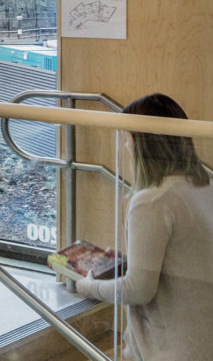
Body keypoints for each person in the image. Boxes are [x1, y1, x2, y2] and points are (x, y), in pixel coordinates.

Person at [74, 93, 213, 361]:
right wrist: (129, 262)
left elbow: (139, 289)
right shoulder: (204, 186)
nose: (126, 146)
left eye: (128, 137)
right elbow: (187, 260)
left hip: (173, 348)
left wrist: (89, 287)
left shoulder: (151, 202)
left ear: (143, 145)